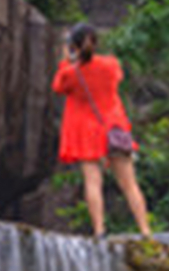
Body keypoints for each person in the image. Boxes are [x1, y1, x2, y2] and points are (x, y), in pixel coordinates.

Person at [52, 23, 153, 240]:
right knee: (130, 185)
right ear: (95, 43)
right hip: (113, 130)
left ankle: (99, 231)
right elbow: (118, 78)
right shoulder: (110, 65)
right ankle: (145, 230)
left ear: (73, 47)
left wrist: (65, 61)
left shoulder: (70, 73)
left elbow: (58, 87)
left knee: (93, 182)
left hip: (86, 134)